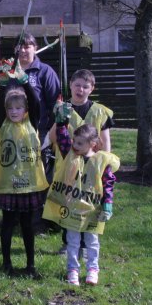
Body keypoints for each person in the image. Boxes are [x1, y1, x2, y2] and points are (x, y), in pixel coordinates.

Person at [43, 111, 119, 286]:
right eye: (74, 141)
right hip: (72, 208)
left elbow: (108, 183)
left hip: (92, 210)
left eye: (79, 143)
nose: (74, 145)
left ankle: (93, 269)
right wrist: (61, 123)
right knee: (72, 240)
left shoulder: (101, 161)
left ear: (92, 144)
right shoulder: (71, 155)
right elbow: (62, 139)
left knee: (92, 241)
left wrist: (108, 203)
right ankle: (73, 270)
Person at [48, 68, 115, 255]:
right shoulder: (63, 107)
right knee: (68, 201)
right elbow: (52, 137)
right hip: (68, 166)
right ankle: (67, 242)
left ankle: (87, 243)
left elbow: (106, 144)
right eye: (77, 85)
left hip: (92, 166)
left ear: (91, 88)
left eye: (85, 87)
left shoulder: (100, 112)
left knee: (88, 201)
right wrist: (59, 119)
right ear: (70, 85)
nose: (80, 90)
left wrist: (104, 165)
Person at [0, 90, 49, 278]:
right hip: (8, 184)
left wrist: (23, 81)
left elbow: (35, 102)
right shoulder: (2, 124)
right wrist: (4, 83)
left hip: (29, 184)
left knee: (27, 225)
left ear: (26, 109)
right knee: (7, 223)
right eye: (10, 108)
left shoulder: (32, 122)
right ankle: (7, 263)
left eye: (18, 108)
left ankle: (30, 265)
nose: (14, 112)